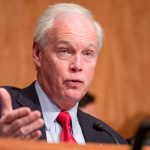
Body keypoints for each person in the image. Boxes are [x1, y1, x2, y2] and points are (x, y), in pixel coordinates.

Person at [0, 3, 127, 144]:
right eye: (64, 51)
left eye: (87, 53)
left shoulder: (111, 140)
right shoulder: (5, 115)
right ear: (37, 54)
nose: (78, 65)